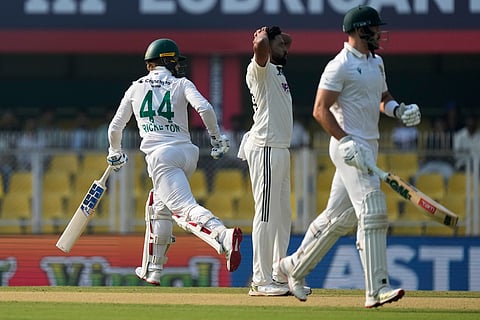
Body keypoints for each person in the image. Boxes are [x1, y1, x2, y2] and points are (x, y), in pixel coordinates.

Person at [277, 5, 421, 307]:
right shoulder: (339, 65)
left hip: (369, 145)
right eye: (376, 28)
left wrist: (400, 111)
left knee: (339, 218)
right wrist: (345, 141)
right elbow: (320, 109)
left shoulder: (376, 62)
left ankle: (292, 268)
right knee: (372, 207)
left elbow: (383, 98)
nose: (380, 34)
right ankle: (377, 288)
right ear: (360, 30)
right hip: (347, 149)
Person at [106, 38, 243, 285]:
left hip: (161, 157)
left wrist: (114, 151)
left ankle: (222, 236)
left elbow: (116, 126)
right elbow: (205, 108)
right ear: (167, 60)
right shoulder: (181, 83)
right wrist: (216, 139)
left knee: (182, 209)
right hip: (187, 153)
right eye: (175, 61)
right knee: (158, 206)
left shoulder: (136, 87)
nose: (178, 66)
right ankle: (153, 269)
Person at [239, 26, 309, 297]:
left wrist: (276, 36)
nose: (286, 48)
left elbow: (288, 40)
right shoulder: (261, 69)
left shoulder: (277, 71)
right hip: (265, 148)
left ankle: (278, 274)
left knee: (282, 216)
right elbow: (260, 51)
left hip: (280, 149)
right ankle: (259, 279)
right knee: (266, 214)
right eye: (280, 45)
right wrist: (263, 40)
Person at [414, 116, 455, 185]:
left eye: (441, 126)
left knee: (450, 176)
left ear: (444, 127)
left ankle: (446, 194)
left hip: (444, 164)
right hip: (431, 163)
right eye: (437, 126)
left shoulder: (448, 137)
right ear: (434, 127)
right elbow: (428, 154)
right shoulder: (430, 138)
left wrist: (442, 139)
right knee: (417, 176)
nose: (439, 128)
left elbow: (447, 154)